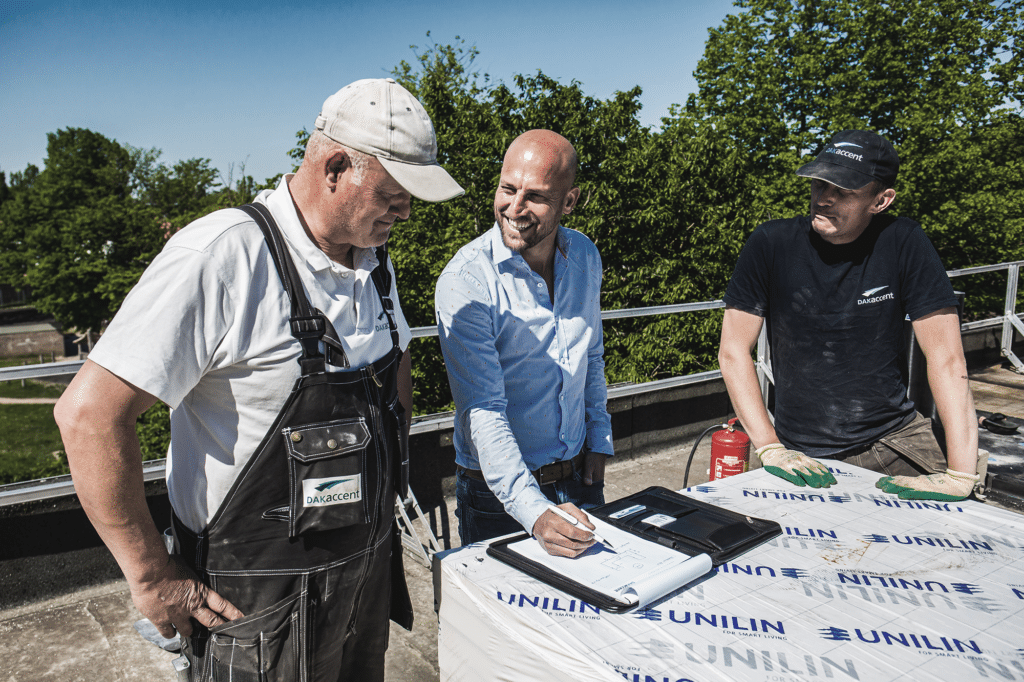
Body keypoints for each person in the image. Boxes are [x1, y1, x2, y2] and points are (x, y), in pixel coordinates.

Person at [53, 78, 464, 681]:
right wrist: (152, 575)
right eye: (394, 191)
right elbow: (88, 417)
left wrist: (391, 461)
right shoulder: (222, 257)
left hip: (363, 578)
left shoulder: (374, 261)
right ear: (334, 166)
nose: (406, 210)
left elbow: (394, 359)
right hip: (256, 607)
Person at [718, 129, 980, 502]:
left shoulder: (904, 242)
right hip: (797, 452)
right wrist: (769, 446)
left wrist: (960, 474)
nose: (824, 198)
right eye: (820, 183)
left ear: (881, 200)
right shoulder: (770, 244)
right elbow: (733, 351)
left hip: (893, 442)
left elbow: (946, 357)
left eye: (844, 190)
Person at [435, 129, 613, 558]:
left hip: (580, 477)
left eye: (535, 196)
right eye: (507, 189)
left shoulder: (585, 256)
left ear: (568, 203)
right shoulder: (467, 281)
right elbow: (484, 410)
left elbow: (590, 354)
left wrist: (599, 437)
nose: (514, 208)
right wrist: (533, 511)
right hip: (498, 497)